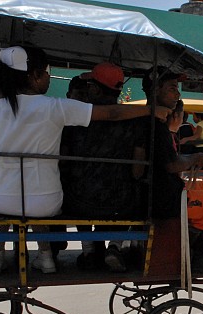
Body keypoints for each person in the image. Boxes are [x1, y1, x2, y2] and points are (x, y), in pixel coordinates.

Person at [0, 46, 169, 275]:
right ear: (34, 76)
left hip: (2, 199)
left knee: (1, 209)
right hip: (45, 201)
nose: (49, 78)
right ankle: (46, 256)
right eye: (47, 73)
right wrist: (152, 109)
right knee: (39, 209)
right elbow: (111, 114)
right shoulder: (55, 107)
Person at [138, 67, 203, 275]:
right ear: (155, 90)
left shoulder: (155, 123)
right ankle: (200, 252)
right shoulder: (157, 127)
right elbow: (171, 165)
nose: (177, 94)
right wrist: (195, 158)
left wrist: (192, 160)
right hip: (167, 199)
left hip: (164, 193)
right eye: (172, 88)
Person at [60, 62, 146, 272]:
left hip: (78, 201)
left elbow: (63, 161)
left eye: (89, 85)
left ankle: (89, 249)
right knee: (139, 191)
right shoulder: (135, 122)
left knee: (71, 186)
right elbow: (137, 170)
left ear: (96, 89)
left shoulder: (75, 121)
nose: (87, 89)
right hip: (120, 201)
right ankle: (115, 245)